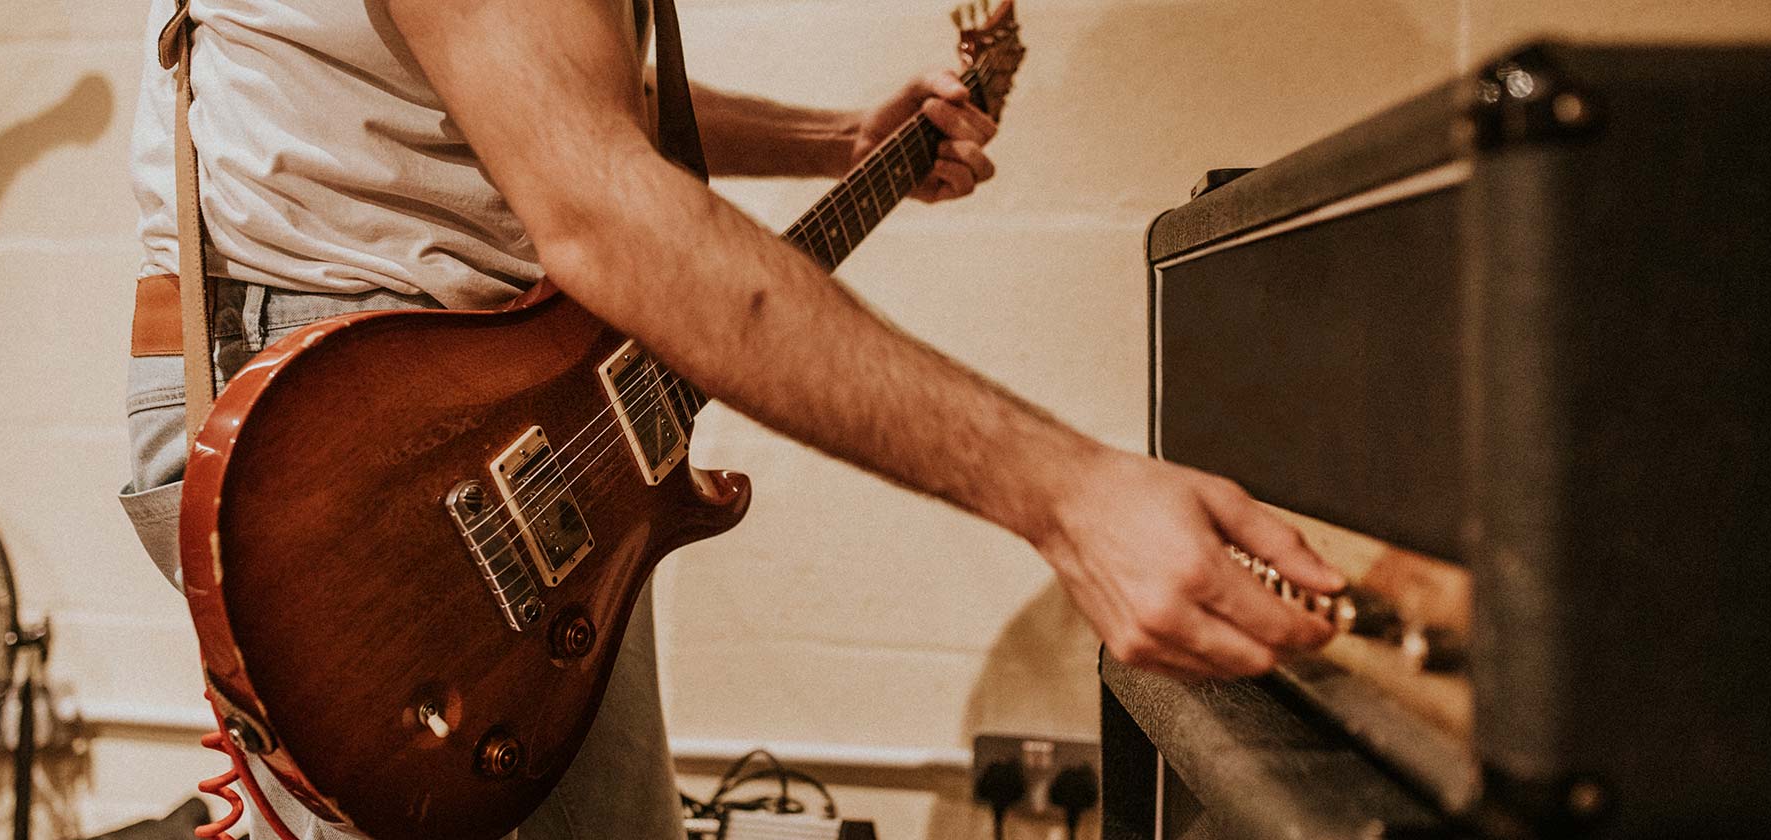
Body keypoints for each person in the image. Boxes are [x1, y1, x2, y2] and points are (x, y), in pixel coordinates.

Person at [119, 0, 1344, 837]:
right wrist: (1066, 491)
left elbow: (545, 93)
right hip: (372, 411)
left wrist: (837, 143)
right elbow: (604, 217)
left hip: (489, 405)